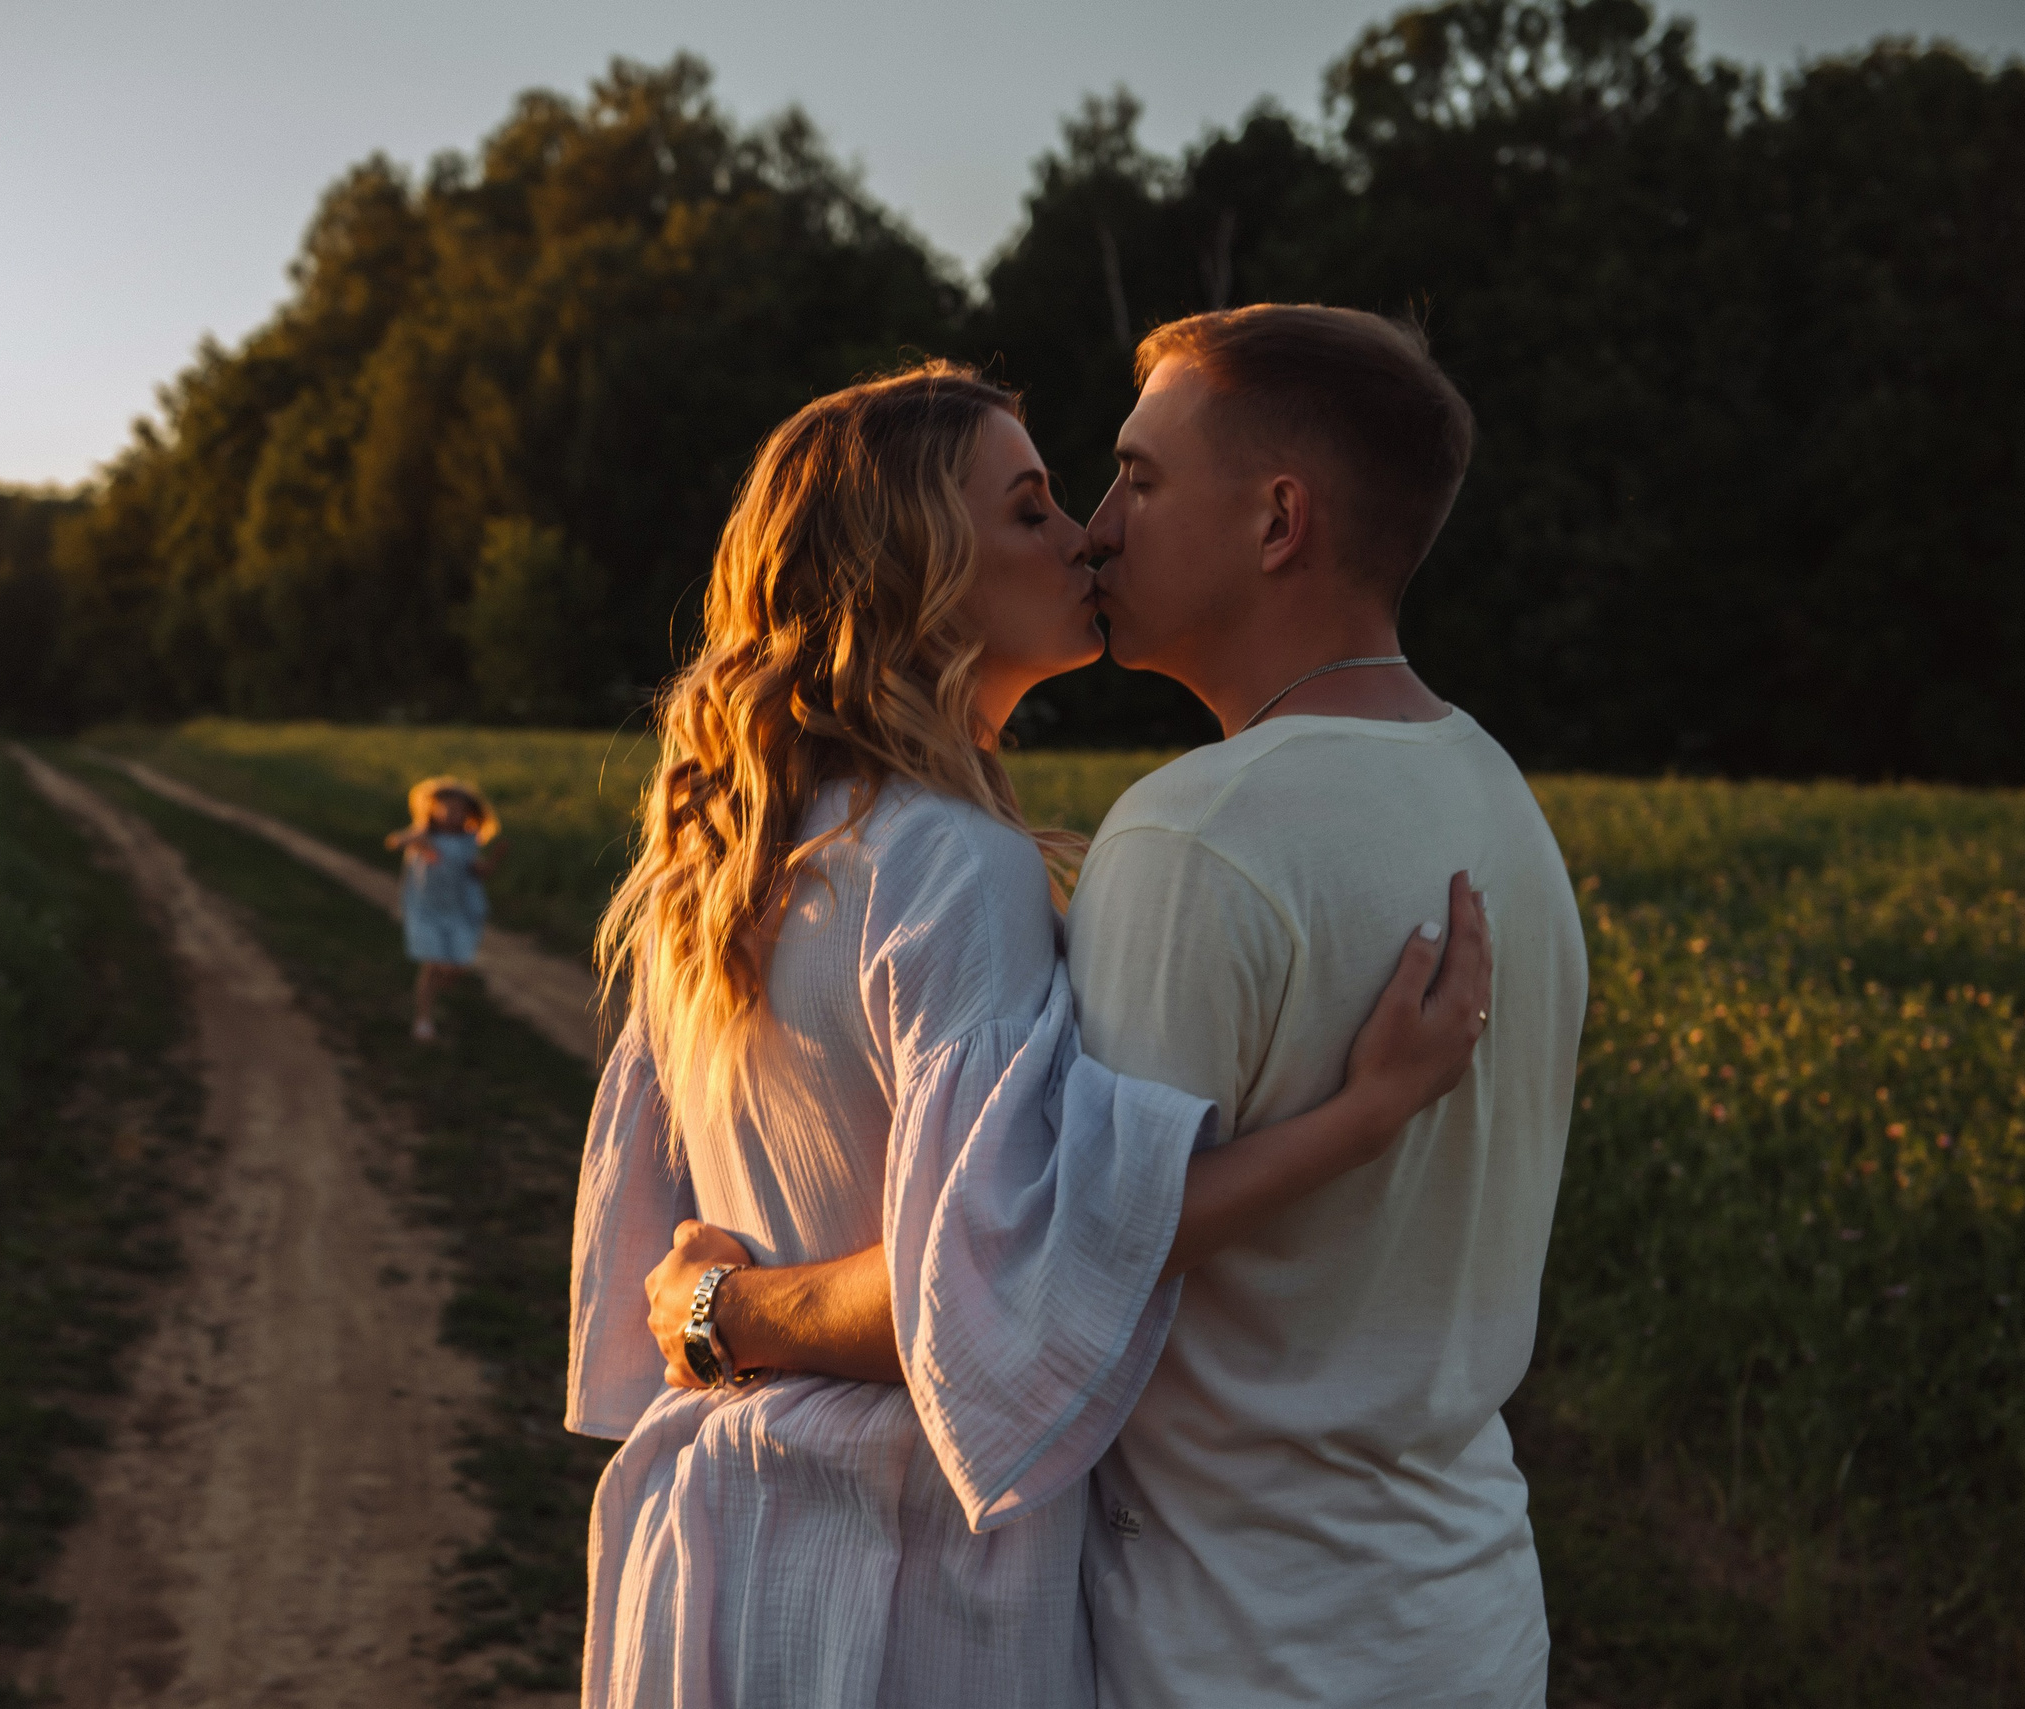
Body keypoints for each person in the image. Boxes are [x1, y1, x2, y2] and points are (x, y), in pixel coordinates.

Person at [659, 307, 1589, 1706]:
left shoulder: (1188, 837)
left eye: (1137, 481)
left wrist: (728, 1311)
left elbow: (1034, 1265)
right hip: (1466, 1614)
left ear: (1280, 521)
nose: (1097, 530)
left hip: (1241, 1646)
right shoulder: (1503, 802)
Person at [383, 775, 501, 1043]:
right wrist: (417, 841)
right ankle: (423, 1019)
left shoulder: (469, 840)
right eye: (446, 807)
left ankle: (441, 987)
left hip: (460, 910)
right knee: (433, 965)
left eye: (459, 810)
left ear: (469, 813)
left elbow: (478, 872)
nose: (452, 814)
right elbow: (395, 841)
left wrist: (493, 862)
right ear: (432, 808)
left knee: (457, 966)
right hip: (427, 910)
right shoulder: (424, 834)